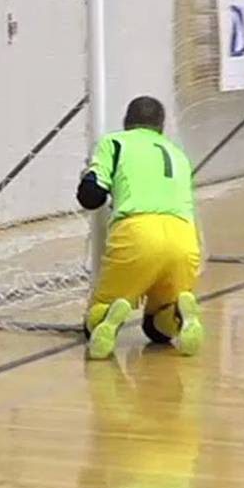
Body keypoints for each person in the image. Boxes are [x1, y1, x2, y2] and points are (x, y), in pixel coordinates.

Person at [76, 96, 204, 361]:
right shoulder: (178, 154)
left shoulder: (115, 142)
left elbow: (92, 196)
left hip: (137, 233)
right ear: (161, 127)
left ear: (126, 122)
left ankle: (110, 316)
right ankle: (177, 314)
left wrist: (88, 178)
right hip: (184, 237)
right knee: (157, 330)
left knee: (96, 317)